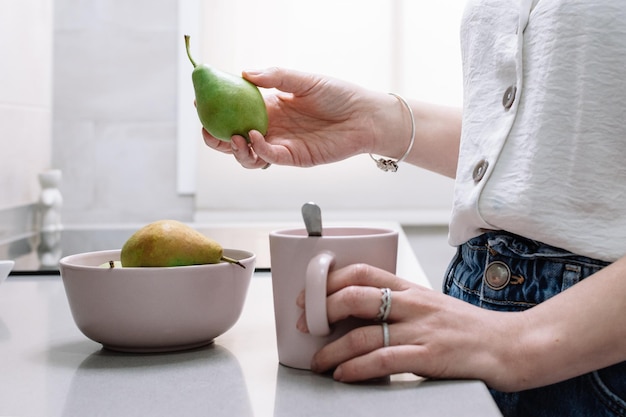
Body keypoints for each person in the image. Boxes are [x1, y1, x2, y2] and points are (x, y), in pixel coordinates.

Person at [201, 1, 626, 416]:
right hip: (474, 316)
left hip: (594, 350)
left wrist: (517, 342)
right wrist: (372, 122)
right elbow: (545, 145)